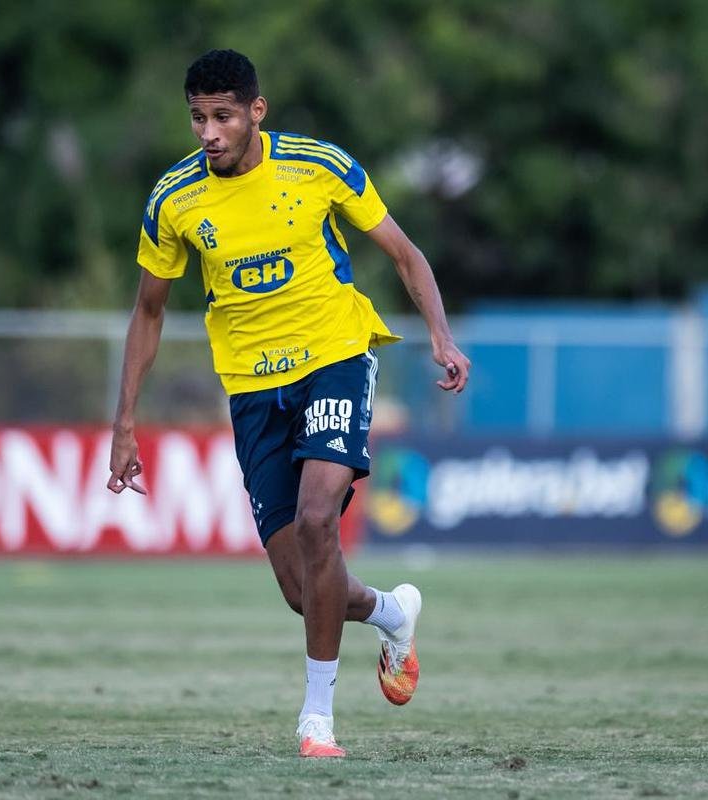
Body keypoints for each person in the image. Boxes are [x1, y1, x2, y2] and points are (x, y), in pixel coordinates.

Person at [106, 49, 470, 758]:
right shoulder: (174, 200)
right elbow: (147, 311)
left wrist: (439, 336)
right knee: (303, 591)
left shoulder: (317, 166)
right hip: (249, 388)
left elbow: (402, 252)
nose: (207, 132)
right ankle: (392, 613)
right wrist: (123, 425)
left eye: (221, 116)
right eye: (197, 119)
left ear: (255, 111)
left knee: (315, 521)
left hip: (333, 357)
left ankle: (316, 720)